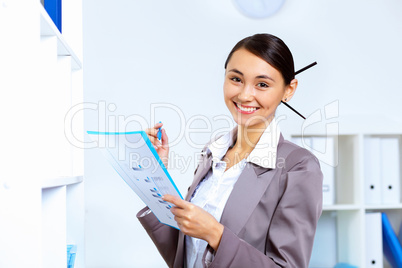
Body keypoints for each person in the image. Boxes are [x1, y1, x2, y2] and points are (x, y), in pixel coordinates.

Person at [137, 33, 323, 268]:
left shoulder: (300, 167)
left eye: (262, 84)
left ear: (289, 89)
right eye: (236, 79)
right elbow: (185, 253)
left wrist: (216, 234)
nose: (245, 95)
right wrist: (156, 174)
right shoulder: (213, 151)